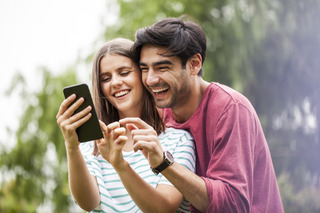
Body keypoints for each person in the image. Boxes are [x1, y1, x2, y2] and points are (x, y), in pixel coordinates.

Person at [120, 17, 284, 212]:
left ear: (194, 64)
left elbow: (232, 205)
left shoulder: (231, 108)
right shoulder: (160, 115)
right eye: (144, 69)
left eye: (162, 67)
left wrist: (163, 162)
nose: (151, 79)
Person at [56, 38, 195, 212]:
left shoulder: (179, 140)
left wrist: (120, 166)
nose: (115, 82)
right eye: (106, 78)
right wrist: (71, 146)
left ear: (143, 74)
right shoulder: (93, 145)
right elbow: (88, 203)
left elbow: (163, 209)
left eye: (124, 73)